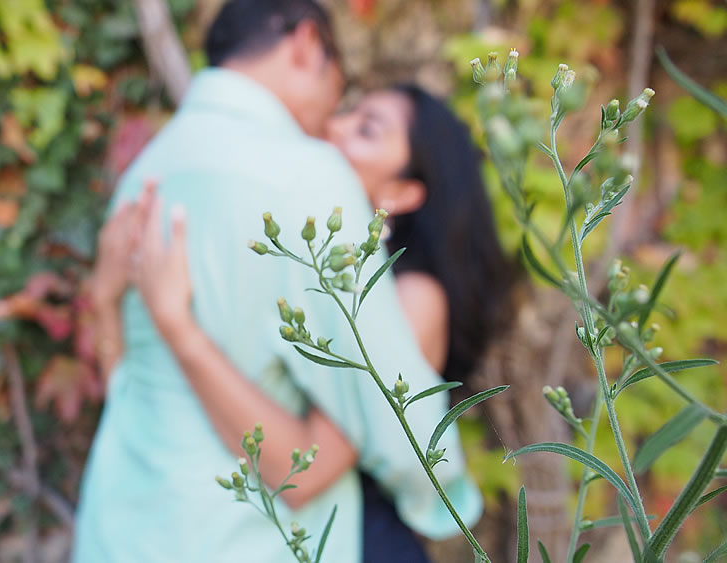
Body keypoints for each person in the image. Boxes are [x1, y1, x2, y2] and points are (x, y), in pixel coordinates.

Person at [73, 1, 483, 561]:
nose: (333, 121)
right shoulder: (304, 179)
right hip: (237, 539)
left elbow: (134, 386)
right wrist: (445, 498)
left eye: (365, 127)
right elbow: (392, 441)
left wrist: (119, 303)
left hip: (116, 529)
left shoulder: (146, 172)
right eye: (345, 96)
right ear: (307, 44)